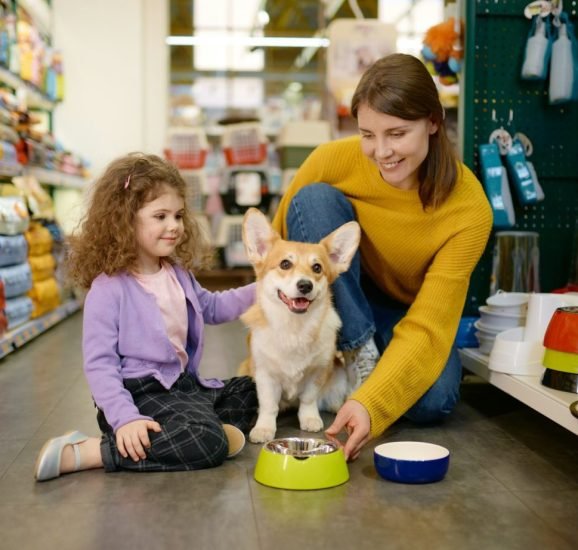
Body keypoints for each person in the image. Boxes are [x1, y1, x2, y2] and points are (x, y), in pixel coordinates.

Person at [272, 53, 492, 461]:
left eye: (396, 133)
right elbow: (276, 249)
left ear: (432, 121)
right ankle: (357, 351)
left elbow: (428, 324)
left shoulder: (469, 209)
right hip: (339, 294)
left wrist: (372, 404)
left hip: (406, 313)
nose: (381, 151)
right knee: (314, 199)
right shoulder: (331, 160)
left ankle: (357, 374)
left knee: (435, 402)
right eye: (368, 134)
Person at [34, 153, 258, 481]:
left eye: (179, 215)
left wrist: (265, 287)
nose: (174, 226)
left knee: (252, 392)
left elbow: (211, 307)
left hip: (181, 386)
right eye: (161, 216)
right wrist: (124, 418)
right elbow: (100, 365)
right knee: (207, 443)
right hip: (138, 395)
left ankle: (188, 429)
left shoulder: (176, 273)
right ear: (125, 221)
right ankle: (94, 450)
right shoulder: (108, 289)